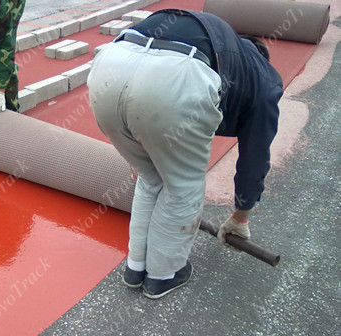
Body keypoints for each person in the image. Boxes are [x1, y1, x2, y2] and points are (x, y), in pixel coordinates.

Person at [87, 9, 283, 299]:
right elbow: (254, 160)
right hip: (173, 78)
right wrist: (241, 218)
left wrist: (138, 154)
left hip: (108, 66)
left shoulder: (223, 46)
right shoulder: (263, 83)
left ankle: (135, 267)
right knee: (182, 188)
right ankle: (162, 276)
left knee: (151, 179)